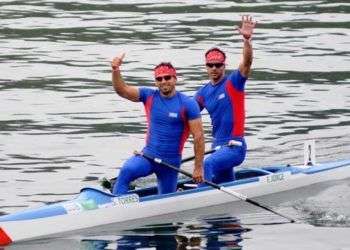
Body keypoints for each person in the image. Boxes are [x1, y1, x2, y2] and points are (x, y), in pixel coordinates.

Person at [111, 54, 204, 195]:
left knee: (166, 199)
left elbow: (198, 137)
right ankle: (116, 205)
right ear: (155, 82)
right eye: (159, 79)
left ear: (175, 79)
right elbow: (122, 90)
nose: (163, 81)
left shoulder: (188, 104)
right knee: (127, 170)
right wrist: (115, 70)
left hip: (170, 163)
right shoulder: (148, 96)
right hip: (148, 157)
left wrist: (198, 168)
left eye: (167, 77)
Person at [194, 15, 256, 184]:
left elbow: (247, 62)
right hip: (217, 148)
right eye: (210, 65)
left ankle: (200, 202)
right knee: (224, 185)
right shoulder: (202, 93)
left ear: (224, 66)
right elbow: (186, 114)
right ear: (206, 67)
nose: (214, 68)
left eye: (218, 65)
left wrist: (247, 40)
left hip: (234, 147)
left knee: (206, 164)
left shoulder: (233, 83)